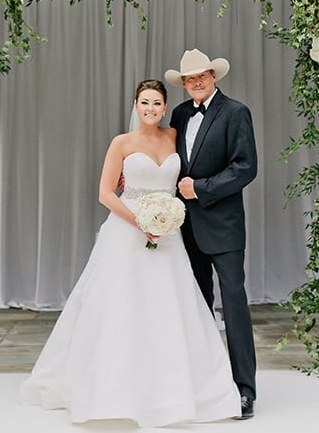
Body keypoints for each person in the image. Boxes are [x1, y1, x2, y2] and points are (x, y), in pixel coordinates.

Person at [20, 79, 241, 427]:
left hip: (167, 235)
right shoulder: (121, 143)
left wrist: (166, 218)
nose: (151, 109)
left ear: (165, 108)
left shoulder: (174, 138)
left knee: (170, 309)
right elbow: (106, 193)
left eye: (157, 103)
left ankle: (175, 389)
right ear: (135, 106)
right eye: (145, 103)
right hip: (127, 234)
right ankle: (114, 390)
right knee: (120, 308)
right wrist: (141, 221)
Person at [165, 49, 258, 420]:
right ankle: (206, 384)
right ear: (184, 84)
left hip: (224, 226)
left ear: (213, 77)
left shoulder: (236, 113)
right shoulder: (180, 114)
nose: (196, 82)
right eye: (189, 79)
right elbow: (171, 163)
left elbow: (245, 167)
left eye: (201, 76)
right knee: (196, 307)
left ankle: (245, 390)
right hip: (185, 227)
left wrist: (200, 187)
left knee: (233, 304)